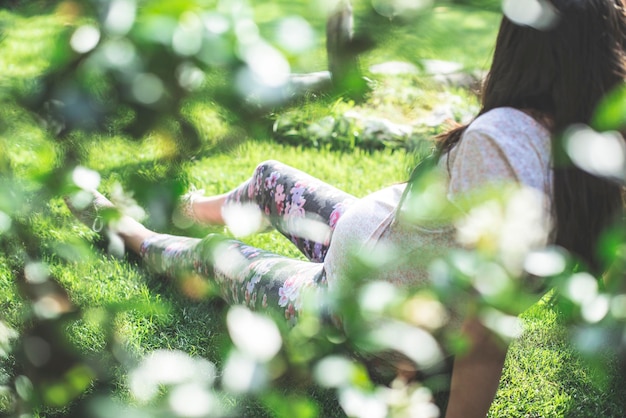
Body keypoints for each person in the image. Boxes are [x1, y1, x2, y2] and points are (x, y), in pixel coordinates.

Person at [66, 0, 626, 416]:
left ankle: (133, 232)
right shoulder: (593, 144)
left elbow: (484, 327)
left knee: (220, 259)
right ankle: (188, 208)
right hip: (376, 245)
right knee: (270, 179)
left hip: (352, 309)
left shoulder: (503, 138)